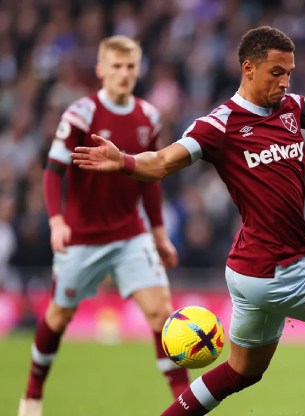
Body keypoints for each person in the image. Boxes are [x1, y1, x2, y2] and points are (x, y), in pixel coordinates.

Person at [70, 26, 305, 416]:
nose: (285, 82)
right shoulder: (220, 125)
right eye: (276, 73)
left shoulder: (291, 108)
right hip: (281, 273)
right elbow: (163, 161)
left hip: (248, 272)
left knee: (242, 371)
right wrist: (124, 161)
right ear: (248, 69)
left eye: (289, 73)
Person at [19, 36, 187, 416]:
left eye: (130, 67)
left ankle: (183, 404)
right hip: (82, 237)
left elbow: (150, 180)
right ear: (100, 70)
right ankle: (31, 396)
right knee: (58, 317)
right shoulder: (81, 114)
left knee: (162, 314)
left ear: (138, 69)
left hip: (130, 234)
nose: (124, 74)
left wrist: (159, 233)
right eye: (116, 67)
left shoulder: (149, 117)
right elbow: (52, 171)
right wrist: (57, 221)